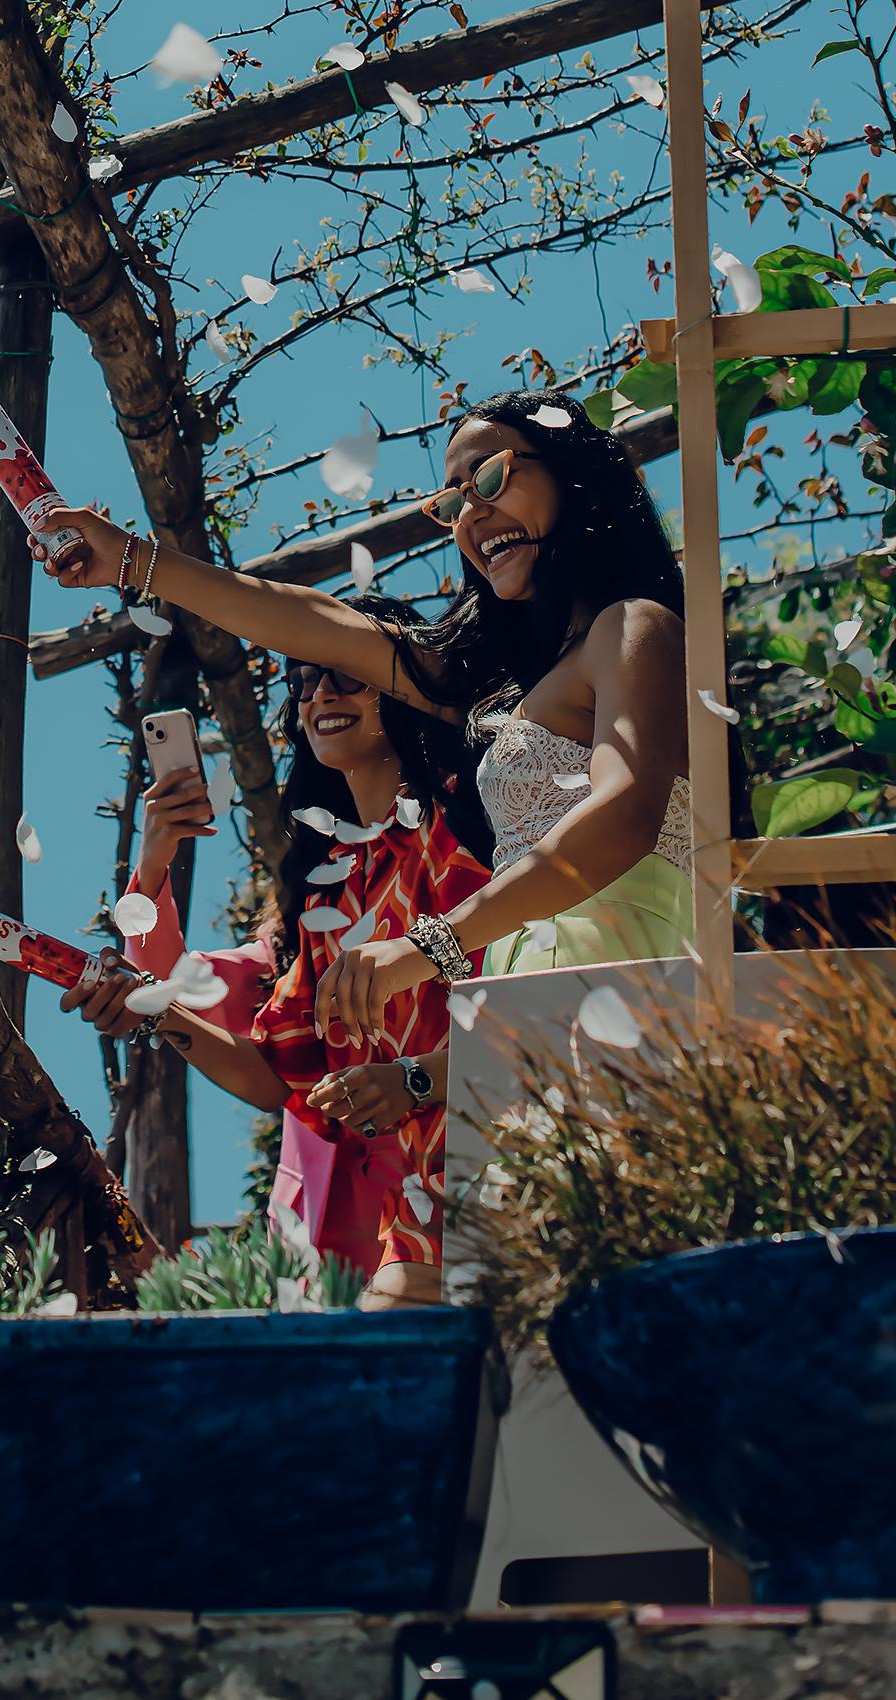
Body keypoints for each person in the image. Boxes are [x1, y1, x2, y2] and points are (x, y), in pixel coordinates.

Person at [36, 391, 698, 1051]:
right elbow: (325, 628)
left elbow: (626, 814)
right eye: (452, 503)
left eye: (491, 476)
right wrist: (133, 561)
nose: (471, 513)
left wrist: (429, 945)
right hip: (524, 1018)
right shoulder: (505, 692)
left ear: (573, 474)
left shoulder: (635, 627)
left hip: (625, 996)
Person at [61, 623, 487, 1305]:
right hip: (331, 1236)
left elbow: (519, 1012)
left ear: (399, 683)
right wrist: (154, 863)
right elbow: (274, 1072)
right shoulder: (325, 887)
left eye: (346, 673)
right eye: (304, 680)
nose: (320, 694)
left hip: (456, 1196)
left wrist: (411, 1079)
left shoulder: (458, 833)